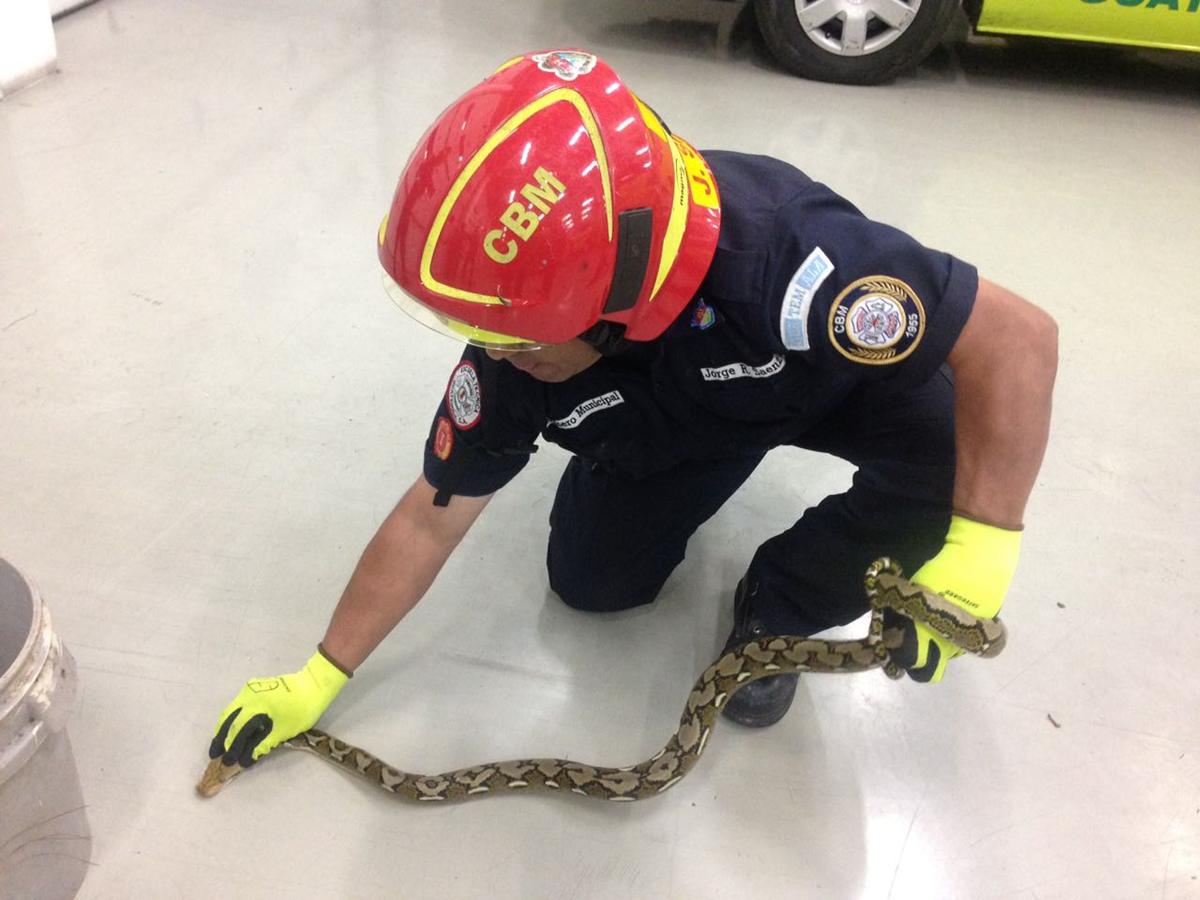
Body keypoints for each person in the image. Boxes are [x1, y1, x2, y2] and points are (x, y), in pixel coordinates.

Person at [209, 49, 1058, 766]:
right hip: (680, 432)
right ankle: (680, 481)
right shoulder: (515, 357)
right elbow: (429, 519)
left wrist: (983, 546)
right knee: (592, 585)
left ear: (617, 300)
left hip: (818, 379)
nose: (497, 352)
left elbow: (1015, 339)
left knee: (956, 461)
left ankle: (783, 602)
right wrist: (321, 674)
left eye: (520, 335)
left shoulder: (790, 255)